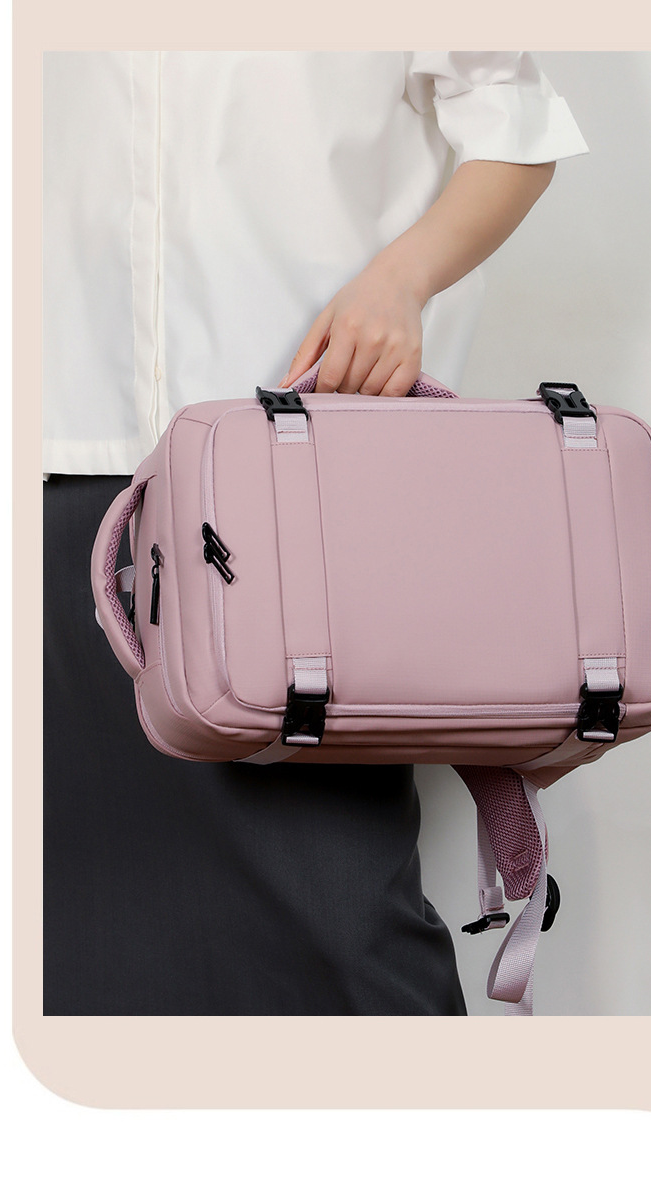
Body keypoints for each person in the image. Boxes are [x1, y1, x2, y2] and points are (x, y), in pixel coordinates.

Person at [43, 50, 588, 1015]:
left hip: (301, 467)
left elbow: (516, 124)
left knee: (337, 904)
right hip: (59, 450)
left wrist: (400, 282)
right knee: (72, 919)